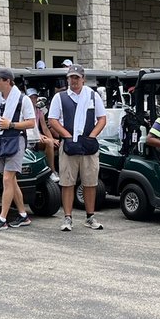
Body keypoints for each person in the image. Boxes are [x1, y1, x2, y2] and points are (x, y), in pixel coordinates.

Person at [47, 64, 108, 231]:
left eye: (76, 78)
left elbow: (102, 118)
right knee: (67, 181)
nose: (73, 81)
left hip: (88, 143)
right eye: (70, 78)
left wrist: (92, 135)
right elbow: (53, 120)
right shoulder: (60, 97)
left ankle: (90, 216)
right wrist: (66, 135)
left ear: (83, 79)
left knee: (90, 182)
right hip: (69, 143)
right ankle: (67, 217)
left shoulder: (92, 96)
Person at [0, 68, 36, 231]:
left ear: (7, 81)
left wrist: (11, 125)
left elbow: (31, 123)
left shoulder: (23, 100)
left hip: (16, 140)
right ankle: (23, 215)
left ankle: (2, 219)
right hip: (0, 140)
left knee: (7, 179)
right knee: (10, 180)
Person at [27, 88, 61, 183]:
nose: (33, 99)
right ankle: (52, 171)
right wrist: (39, 135)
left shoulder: (39, 111)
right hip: (28, 139)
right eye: (31, 97)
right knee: (49, 143)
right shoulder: (23, 110)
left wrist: (53, 139)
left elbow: (45, 128)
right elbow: (28, 127)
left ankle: (59, 170)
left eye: (34, 97)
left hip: (36, 137)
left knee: (57, 143)